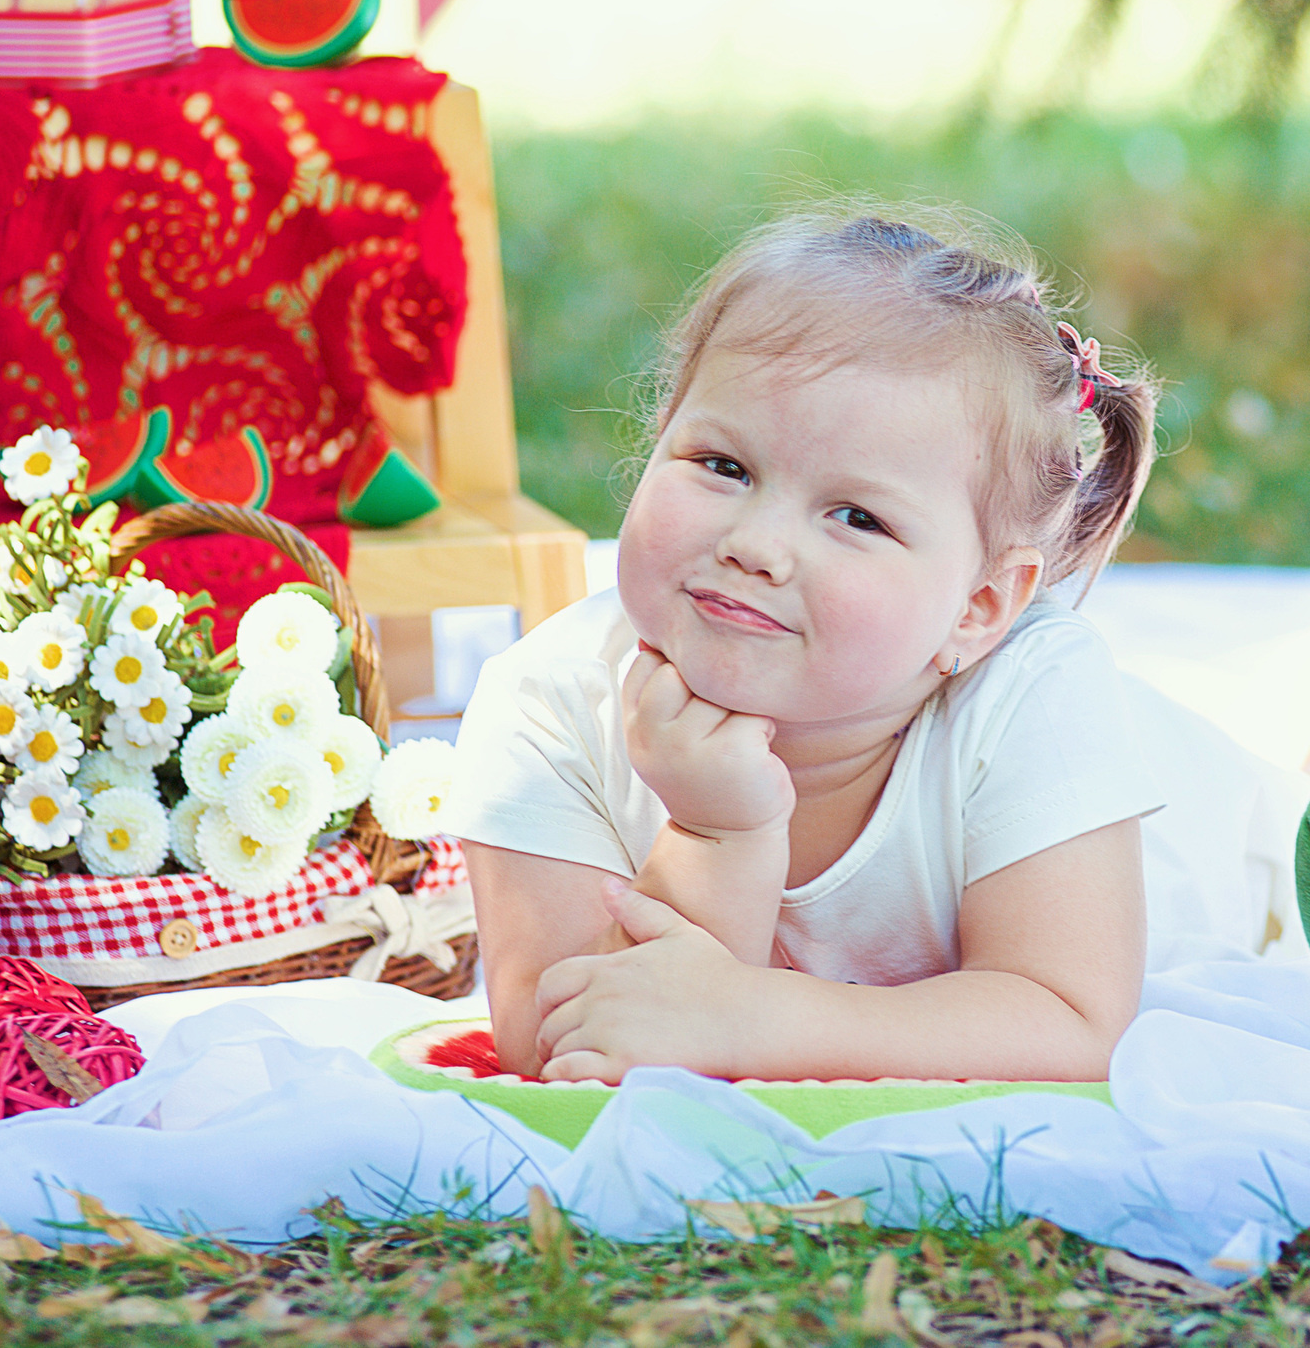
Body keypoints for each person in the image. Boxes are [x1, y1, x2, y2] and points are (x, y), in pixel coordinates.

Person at [448, 208, 1162, 1083]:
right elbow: (557, 1038)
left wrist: (754, 1020)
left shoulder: (1033, 692)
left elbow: (1073, 1022)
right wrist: (715, 833)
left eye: (856, 517)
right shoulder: (549, 700)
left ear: (978, 607)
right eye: (723, 466)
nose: (756, 545)